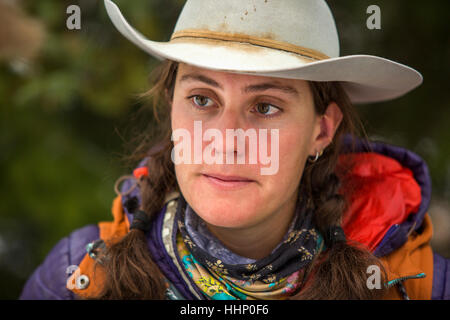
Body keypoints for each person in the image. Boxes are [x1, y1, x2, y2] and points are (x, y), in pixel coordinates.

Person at [20, 0, 449, 300]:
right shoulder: (76, 277)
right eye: (202, 99)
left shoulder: (417, 285)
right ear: (172, 111)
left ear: (322, 130)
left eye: (265, 106)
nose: (226, 141)